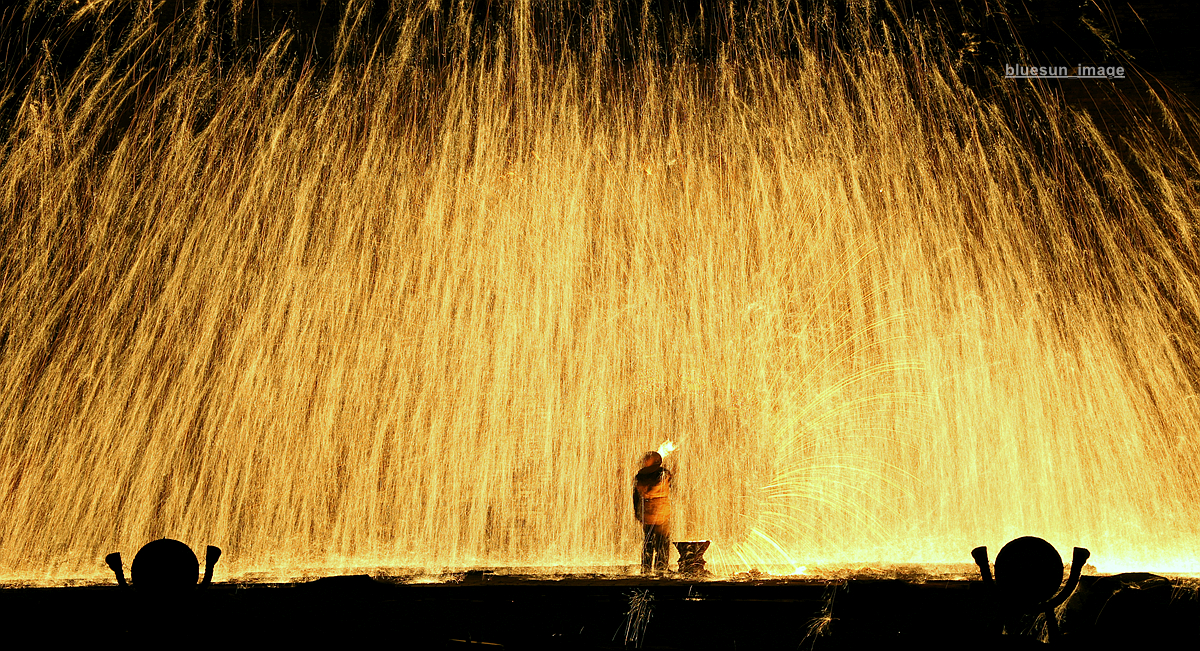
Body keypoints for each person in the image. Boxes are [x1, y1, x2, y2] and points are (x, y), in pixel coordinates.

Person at [633, 451, 673, 574]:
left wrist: (637, 512)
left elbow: (635, 497)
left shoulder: (640, 477)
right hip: (660, 512)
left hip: (647, 513)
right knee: (662, 542)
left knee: (648, 541)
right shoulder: (663, 474)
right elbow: (666, 488)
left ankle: (646, 567)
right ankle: (661, 568)